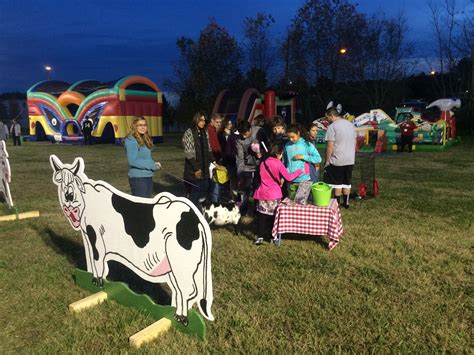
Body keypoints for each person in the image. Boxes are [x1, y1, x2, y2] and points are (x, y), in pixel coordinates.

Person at [253, 144, 306, 245]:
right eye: (281, 154)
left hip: (263, 193)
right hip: (274, 194)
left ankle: (260, 237)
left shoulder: (263, 163)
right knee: (274, 217)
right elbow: (289, 177)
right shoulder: (279, 164)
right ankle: (273, 237)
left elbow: (263, 177)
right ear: (278, 154)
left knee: (262, 216)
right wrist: (299, 171)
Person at [323, 107, 356, 209]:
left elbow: (330, 145)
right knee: (346, 182)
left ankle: (336, 204)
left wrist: (327, 160)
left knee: (337, 183)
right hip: (350, 159)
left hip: (337, 159)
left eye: (327, 117)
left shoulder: (332, 127)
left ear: (331, 115)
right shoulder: (350, 125)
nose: (326, 120)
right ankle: (346, 203)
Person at [183, 112, 217, 206]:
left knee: (204, 190)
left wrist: (214, 161)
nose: (203, 122)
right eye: (201, 120)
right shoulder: (189, 132)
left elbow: (209, 149)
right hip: (193, 169)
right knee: (195, 192)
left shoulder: (205, 132)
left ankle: (202, 211)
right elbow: (189, 153)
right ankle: (191, 212)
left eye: (204, 120)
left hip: (204, 167)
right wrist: (196, 168)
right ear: (196, 120)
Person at [124, 116, 161, 198]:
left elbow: (145, 158)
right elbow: (133, 160)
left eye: (144, 125)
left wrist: (154, 163)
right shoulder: (131, 140)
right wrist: (151, 166)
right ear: (134, 126)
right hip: (138, 178)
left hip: (148, 176)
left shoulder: (143, 139)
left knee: (147, 204)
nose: (143, 127)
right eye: (140, 125)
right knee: (141, 207)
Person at [236, 121, 261, 215]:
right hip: (246, 166)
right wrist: (240, 172)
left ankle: (257, 210)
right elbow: (240, 157)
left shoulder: (259, 131)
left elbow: (266, 144)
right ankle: (243, 210)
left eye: (245, 134)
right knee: (245, 188)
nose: (244, 136)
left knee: (257, 187)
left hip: (259, 165)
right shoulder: (239, 140)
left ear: (250, 129)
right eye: (241, 134)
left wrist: (261, 154)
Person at [207, 113, 223, 202]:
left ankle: (214, 201)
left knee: (216, 182)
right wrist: (214, 160)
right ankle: (214, 202)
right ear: (212, 121)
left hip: (215, 159)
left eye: (220, 122)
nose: (219, 124)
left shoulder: (213, 130)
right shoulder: (209, 130)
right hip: (212, 160)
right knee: (215, 182)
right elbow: (212, 146)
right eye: (217, 122)